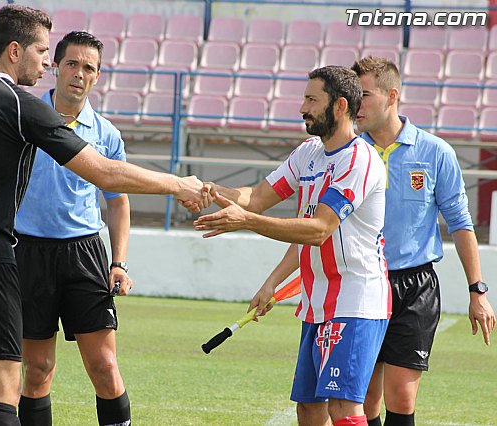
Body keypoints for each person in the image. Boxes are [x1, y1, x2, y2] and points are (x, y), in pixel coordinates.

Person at [0, 5, 206, 425]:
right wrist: (178, 184)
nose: (47, 62)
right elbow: (102, 171)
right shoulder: (20, 103)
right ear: (14, 50)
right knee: (1, 396)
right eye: (43, 51)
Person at [193, 66, 391, 426]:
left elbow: (318, 229)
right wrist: (210, 191)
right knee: (310, 409)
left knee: (344, 410)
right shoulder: (309, 152)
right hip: (316, 303)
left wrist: (246, 221)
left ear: (340, 105)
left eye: (312, 100)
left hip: (356, 301)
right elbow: (255, 198)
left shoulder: (359, 160)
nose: (302, 108)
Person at [350, 56, 496, 426]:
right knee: (364, 399)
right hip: (362, 283)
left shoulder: (435, 152)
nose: (356, 104)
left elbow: (462, 224)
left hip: (414, 286)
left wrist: (477, 291)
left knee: (401, 395)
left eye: (364, 94)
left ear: (392, 96)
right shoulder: (351, 153)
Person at [14, 31, 132, 426]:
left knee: (103, 366)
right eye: (71, 64)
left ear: (98, 76)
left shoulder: (106, 135)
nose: (78, 74)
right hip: (28, 253)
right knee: (37, 370)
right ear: (55, 67)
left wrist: (119, 262)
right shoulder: (23, 120)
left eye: (88, 68)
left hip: (83, 254)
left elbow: (117, 202)